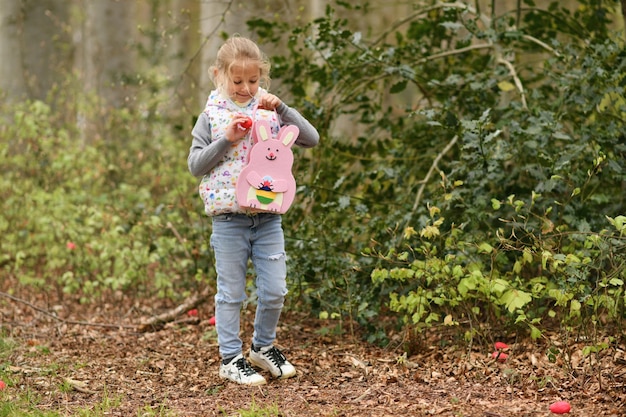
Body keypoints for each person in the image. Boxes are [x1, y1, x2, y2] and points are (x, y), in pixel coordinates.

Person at [187, 35, 319, 386]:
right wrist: (226, 139)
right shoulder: (212, 116)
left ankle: (262, 348)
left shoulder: (268, 109)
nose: (246, 88)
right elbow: (195, 165)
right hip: (228, 220)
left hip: (268, 218)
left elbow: (311, 138)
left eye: (253, 80)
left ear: (262, 78)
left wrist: (283, 109)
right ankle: (231, 358)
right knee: (231, 292)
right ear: (218, 74)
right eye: (237, 81)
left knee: (275, 290)